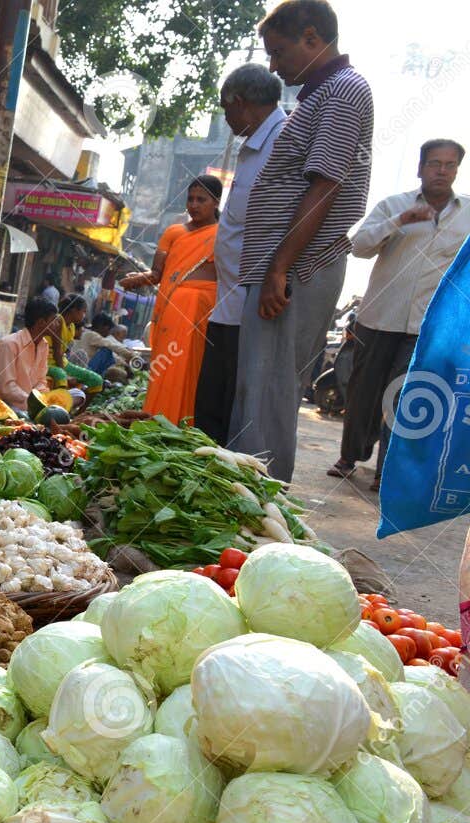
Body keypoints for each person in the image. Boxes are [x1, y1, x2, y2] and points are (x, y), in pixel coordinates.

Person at [231, 0, 373, 482]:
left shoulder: (344, 91)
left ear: (312, 38)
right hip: (283, 266)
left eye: (278, 52)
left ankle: (258, 507)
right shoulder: (321, 93)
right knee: (258, 389)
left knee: (269, 393)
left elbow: (325, 185)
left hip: (297, 268)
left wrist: (278, 269)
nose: (273, 65)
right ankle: (247, 502)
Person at [328, 139, 469, 488]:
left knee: (406, 395)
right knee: (364, 391)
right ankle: (350, 456)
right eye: (434, 163)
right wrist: (401, 220)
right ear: (420, 168)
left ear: (456, 170)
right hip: (379, 317)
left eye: (449, 165)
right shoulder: (394, 205)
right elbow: (359, 247)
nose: (441, 170)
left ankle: (386, 471)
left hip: (428, 325)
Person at [193, 64, 287, 443]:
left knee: (228, 409)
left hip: (251, 300)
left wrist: (273, 276)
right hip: (230, 301)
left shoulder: (283, 141)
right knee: (212, 406)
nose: (227, 117)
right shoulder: (255, 145)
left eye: (225, 108)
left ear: (239, 102)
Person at [119, 176, 223, 423]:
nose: (194, 205)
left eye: (202, 199)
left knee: (193, 370)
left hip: (205, 308)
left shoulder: (225, 234)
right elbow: (157, 274)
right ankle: (158, 420)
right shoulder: (174, 232)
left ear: (216, 202)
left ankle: (184, 425)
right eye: (190, 199)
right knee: (167, 367)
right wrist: (137, 278)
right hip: (174, 310)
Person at [0, 296, 57, 413]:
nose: (57, 325)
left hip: (30, 404)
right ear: (41, 323)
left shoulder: (44, 345)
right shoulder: (8, 344)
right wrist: (34, 402)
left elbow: (41, 381)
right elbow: (7, 389)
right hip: (5, 405)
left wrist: (45, 399)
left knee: (77, 394)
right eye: (53, 320)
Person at [72, 312, 138, 377]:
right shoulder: (92, 335)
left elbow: (114, 357)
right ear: (105, 327)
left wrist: (124, 364)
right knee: (107, 350)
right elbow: (112, 346)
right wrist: (132, 356)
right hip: (83, 369)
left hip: (76, 367)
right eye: (109, 330)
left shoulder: (86, 333)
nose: (109, 333)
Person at [48, 294, 87, 368]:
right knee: (61, 375)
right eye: (84, 311)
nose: (84, 315)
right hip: (49, 363)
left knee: (95, 378)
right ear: (74, 310)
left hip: (62, 362)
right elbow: (57, 352)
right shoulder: (59, 321)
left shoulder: (72, 326)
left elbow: (64, 352)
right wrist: (65, 374)